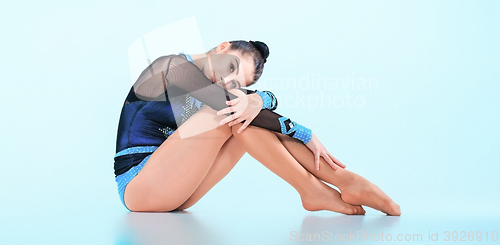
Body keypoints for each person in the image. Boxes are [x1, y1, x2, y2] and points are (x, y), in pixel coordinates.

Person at [114, 40, 401, 215]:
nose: (227, 82)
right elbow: (229, 104)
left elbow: (249, 105)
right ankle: (322, 186)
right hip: (139, 186)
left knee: (241, 117)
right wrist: (304, 132)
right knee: (229, 113)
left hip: (179, 192)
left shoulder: (215, 91)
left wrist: (259, 99)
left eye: (236, 82)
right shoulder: (171, 66)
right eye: (230, 68)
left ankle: (343, 182)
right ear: (222, 47)